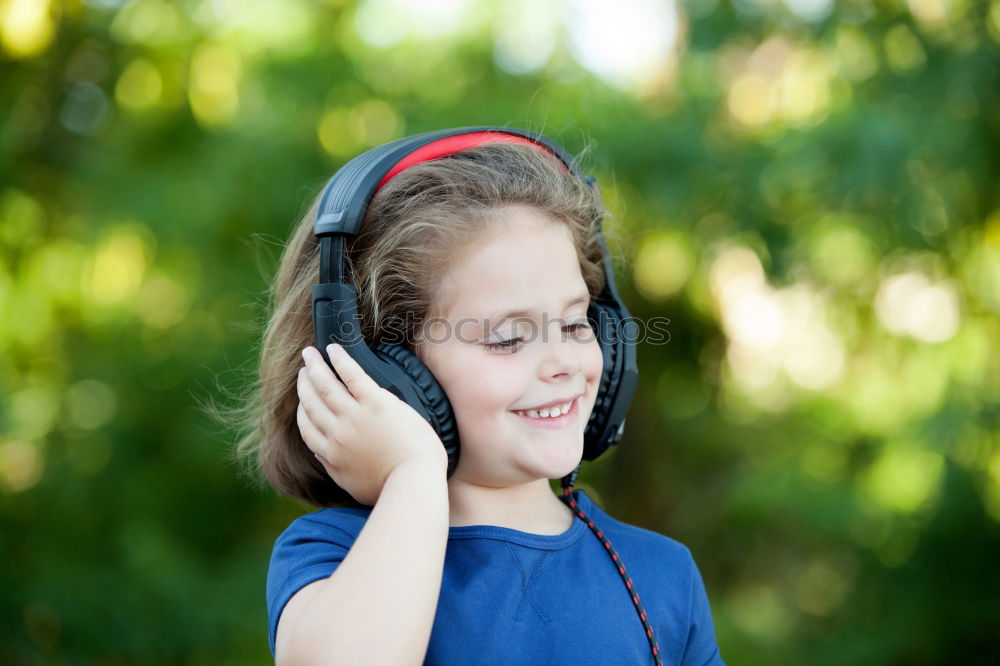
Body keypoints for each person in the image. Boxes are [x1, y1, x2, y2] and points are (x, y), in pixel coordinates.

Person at [242, 129, 725, 665]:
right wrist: (412, 473)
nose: (563, 361)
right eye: (508, 338)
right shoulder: (334, 555)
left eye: (574, 323)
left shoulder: (660, 576)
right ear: (381, 371)